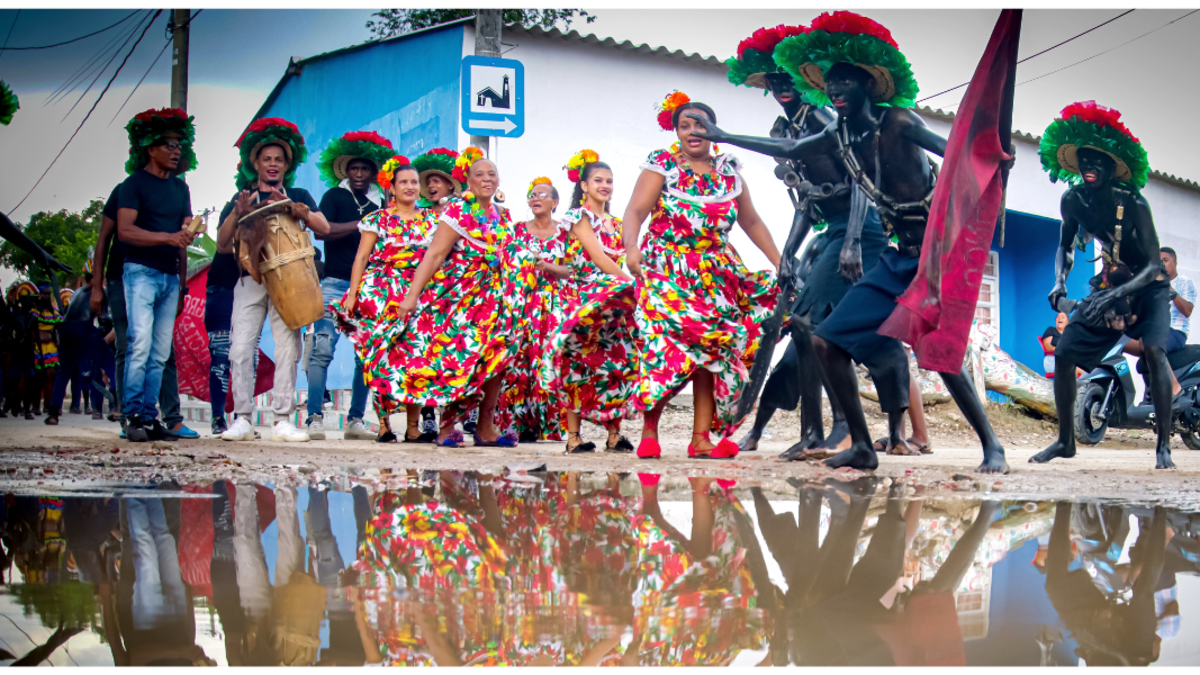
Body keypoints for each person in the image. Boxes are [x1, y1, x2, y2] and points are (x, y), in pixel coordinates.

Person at [692, 11, 1008, 473]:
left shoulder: (898, 121)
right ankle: (861, 445)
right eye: (831, 84)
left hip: (935, 258)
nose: (836, 90)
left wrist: (994, 158)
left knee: (941, 353)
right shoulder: (838, 133)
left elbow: (958, 152)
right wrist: (724, 136)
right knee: (826, 341)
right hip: (898, 259)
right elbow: (789, 150)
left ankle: (992, 447)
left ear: (867, 85)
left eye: (845, 82)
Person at [725, 23, 891, 460]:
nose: (781, 86)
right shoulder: (784, 129)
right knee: (804, 327)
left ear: (802, 82)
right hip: (830, 228)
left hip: (861, 228)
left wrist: (853, 239)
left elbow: (859, 180)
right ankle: (813, 430)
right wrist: (788, 252)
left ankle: (838, 427)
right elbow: (807, 200)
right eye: (773, 81)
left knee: (810, 324)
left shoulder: (820, 120)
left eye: (787, 79)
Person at [612, 91, 780, 460]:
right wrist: (631, 247)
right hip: (666, 270)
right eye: (685, 125)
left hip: (716, 274)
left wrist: (779, 262)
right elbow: (635, 211)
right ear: (676, 132)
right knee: (664, 348)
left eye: (700, 125)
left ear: (714, 131)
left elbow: (751, 221)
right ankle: (650, 432)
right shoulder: (663, 166)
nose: (693, 131)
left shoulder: (729, 172)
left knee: (712, 350)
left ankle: (701, 437)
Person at [1033, 102, 1175, 469]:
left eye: (1098, 160)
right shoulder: (1073, 200)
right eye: (1084, 159)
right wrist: (1059, 281)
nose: (1089, 166)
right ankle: (1066, 441)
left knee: (1155, 351)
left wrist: (1116, 292)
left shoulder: (1135, 203)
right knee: (1064, 352)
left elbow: (1154, 264)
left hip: (1148, 287)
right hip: (1112, 284)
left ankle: (1163, 446)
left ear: (1114, 168)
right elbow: (1065, 246)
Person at [387, 147, 537, 447]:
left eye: (492, 174)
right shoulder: (457, 211)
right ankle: (446, 429)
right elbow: (435, 254)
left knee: (497, 359)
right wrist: (412, 296)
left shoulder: (503, 215)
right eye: (479, 174)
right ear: (468, 181)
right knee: (463, 360)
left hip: (498, 299)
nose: (487, 179)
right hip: (463, 300)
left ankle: (485, 428)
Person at [217, 117, 330, 443]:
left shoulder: (298, 194)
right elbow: (222, 245)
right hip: (249, 279)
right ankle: (242, 419)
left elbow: (323, 229)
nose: (272, 164)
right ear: (255, 163)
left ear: (287, 165)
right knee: (241, 348)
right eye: (266, 158)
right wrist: (237, 213)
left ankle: (282, 420)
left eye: (279, 159)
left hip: (290, 281)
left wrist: (297, 209)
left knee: (287, 349)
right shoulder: (242, 197)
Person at [330, 156, 439, 443]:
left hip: (419, 293)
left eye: (414, 182)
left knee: (417, 357)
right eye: (403, 182)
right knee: (380, 357)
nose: (410, 186)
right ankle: (383, 425)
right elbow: (362, 257)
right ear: (392, 188)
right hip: (381, 293)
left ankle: (413, 427)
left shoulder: (433, 219)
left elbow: (438, 257)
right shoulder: (377, 219)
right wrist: (353, 294)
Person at [538, 154, 639, 454]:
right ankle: (573, 437)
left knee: (615, 363)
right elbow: (597, 257)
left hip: (613, 301)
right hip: (583, 298)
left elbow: (621, 260)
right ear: (584, 186)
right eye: (598, 180)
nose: (605, 185)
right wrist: (634, 284)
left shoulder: (617, 224)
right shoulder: (577, 217)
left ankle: (614, 434)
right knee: (578, 365)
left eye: (609, 181)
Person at [306, 130, 395, 441]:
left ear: (373, 172)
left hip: (369, 286)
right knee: (322, 350)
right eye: (353, 168)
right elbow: (322, 231)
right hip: (334, 282)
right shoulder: (334, 196)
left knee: (365, 356)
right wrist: (363, 224)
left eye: (364, 169)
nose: (358, 174)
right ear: (345, 170)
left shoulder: (382, 201)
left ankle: (355, 420)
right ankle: (314, 416)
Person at [115, 108, 198, 443]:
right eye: (169, 145)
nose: (176, 150)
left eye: (179, 145)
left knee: (161, 352)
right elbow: (124, 231)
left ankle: (150, 418)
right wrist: (169, 237)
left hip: (169, 277)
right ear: (150, 149)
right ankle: (132, 416)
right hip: (140, 273)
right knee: (140, 345)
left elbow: (183, 231)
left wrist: (189, 230)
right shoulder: (133, 185)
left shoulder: (180, 188)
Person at [496, 177, 572, 445]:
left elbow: (572, 269)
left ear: (555, 202)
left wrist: (547, 266)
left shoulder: (566, 233)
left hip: (553, 304)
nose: (536, 198)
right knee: (518, 361)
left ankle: (550, 424)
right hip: (521, 304)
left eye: (542, 194)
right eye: (532, 195)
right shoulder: (515, 230)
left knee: (549, 361)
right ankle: (518, 425)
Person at [45, 270, 116, 423]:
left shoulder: (78, 292)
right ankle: (117, 404)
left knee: (64, 372)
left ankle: (53, 413)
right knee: (111, 365)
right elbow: (105, 318)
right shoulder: (101, 292)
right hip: (83, 328)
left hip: (66, 329)